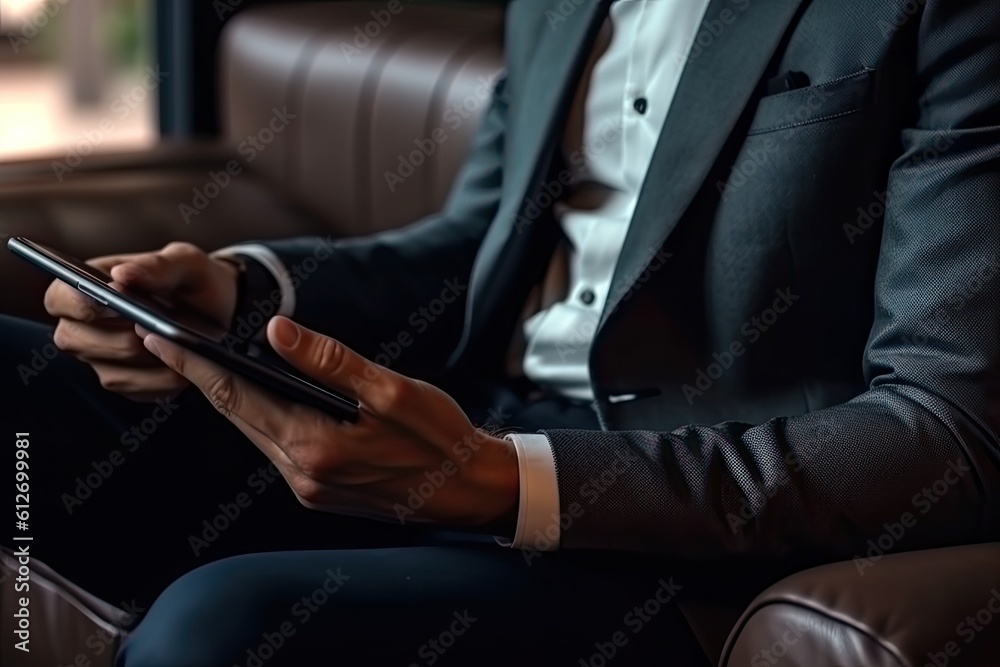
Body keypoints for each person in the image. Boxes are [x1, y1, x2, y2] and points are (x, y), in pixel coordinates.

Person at [5, 0, 1000, 664]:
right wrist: (234, 296)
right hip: (452, 431)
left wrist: (502, 480)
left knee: (221, 627)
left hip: (663, 532)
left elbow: (949, 435)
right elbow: (481, 245)